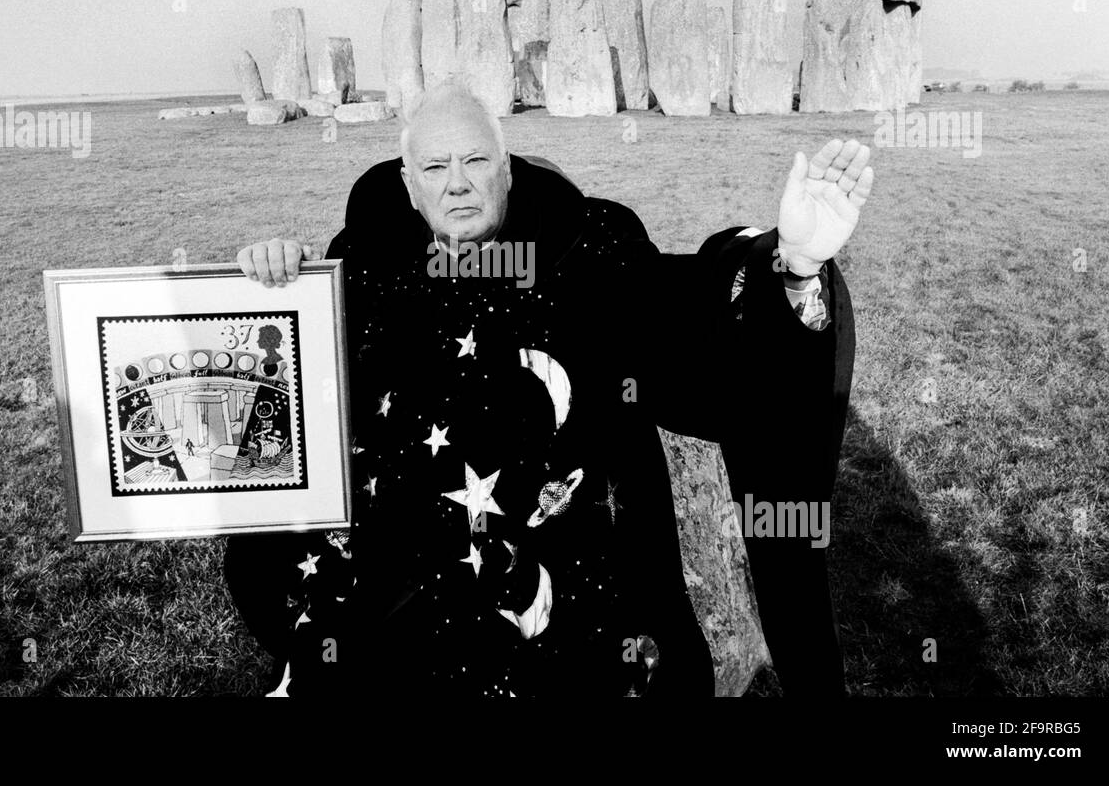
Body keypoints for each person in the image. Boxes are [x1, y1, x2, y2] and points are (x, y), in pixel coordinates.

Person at [225, 80, 872, 697]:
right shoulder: (367, 273)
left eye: (476, 160)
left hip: (582, 624)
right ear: (406, 185)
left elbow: (692, 315)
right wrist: (279, 287)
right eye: (434, 168)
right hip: (419, 620)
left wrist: (793, 265)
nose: (456, 183)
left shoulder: (587, 256)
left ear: (506, 169)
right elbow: (282, 412)